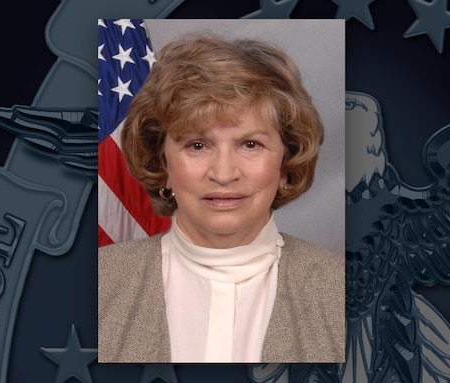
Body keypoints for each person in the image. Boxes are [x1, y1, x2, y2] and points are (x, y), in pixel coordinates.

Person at [98, 32, 345, 363]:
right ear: (163, 165)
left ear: (286, 164)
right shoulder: (98, 283)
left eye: (250, 144)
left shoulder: (345, 292)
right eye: (197, 145)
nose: (224, 173)